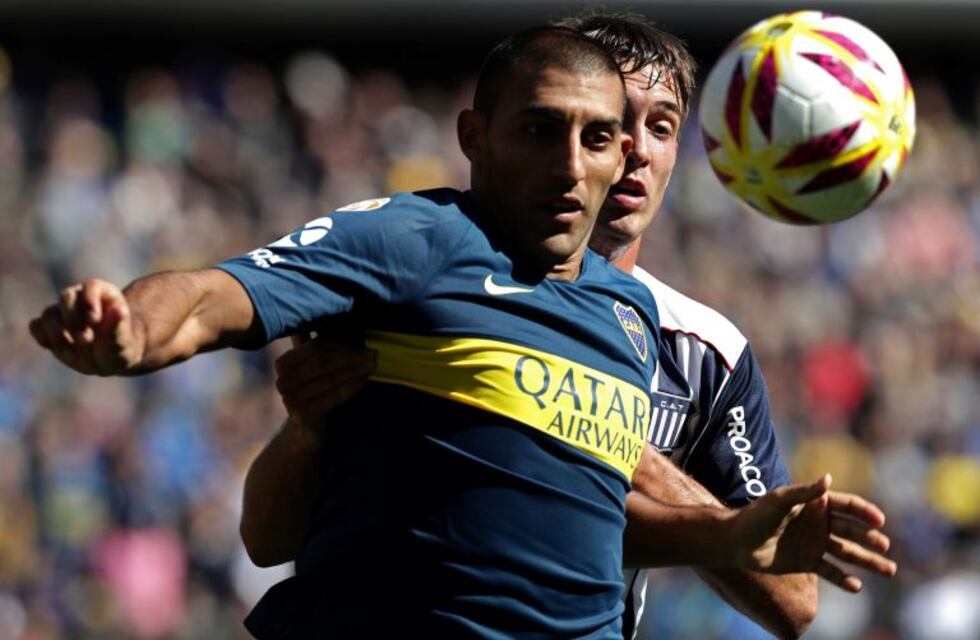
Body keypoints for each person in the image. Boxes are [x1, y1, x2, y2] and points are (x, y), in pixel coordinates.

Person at [238, 12, 896, 640]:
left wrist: (594, 429)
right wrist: (305, 430)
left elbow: (793, 601)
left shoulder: (704, 353)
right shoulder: (429, 279)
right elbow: (266, 540)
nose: (637, 149)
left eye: (663, 127)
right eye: (617, 123)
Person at [29, 26, 664, 638]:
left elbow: (600, 521)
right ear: (475, 137)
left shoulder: (630, 314)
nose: (571, 164)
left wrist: (733, 536)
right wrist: (133, 333)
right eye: (539, 129)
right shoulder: (413, 238)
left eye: (597, 138)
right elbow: (213, 295)